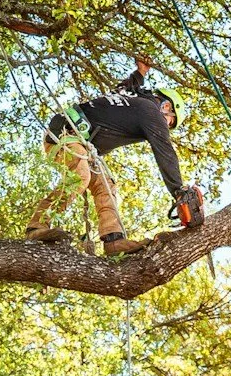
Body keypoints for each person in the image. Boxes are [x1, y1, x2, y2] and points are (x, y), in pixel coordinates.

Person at [26, 56, 205, 253]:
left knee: (106, 185)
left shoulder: (132, 99)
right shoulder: (152, 112)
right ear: (166, 107)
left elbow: (127, 87)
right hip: (66, 132)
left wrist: (140, 73)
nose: (165, 127)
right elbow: (164, 150)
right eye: (170, 122)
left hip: (81, 141)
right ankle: (38, 226)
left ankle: (114, 241)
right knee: (80, 177)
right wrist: (178, 190)